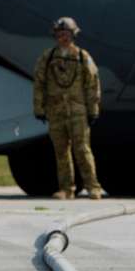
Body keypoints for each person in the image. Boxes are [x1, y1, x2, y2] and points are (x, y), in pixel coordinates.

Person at [32, 16, 103, 199]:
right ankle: (66, 189)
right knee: (61, 151)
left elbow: (92, 84)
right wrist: (39, 108)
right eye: (59, 34)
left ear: (73, 35)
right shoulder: (47, 58)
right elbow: (39, 83)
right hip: (55, 111)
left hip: (77, 111)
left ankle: (93, 186)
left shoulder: (82, 57)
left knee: (82, 149)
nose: (63, 37)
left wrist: (93, 109)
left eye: (66, 34)